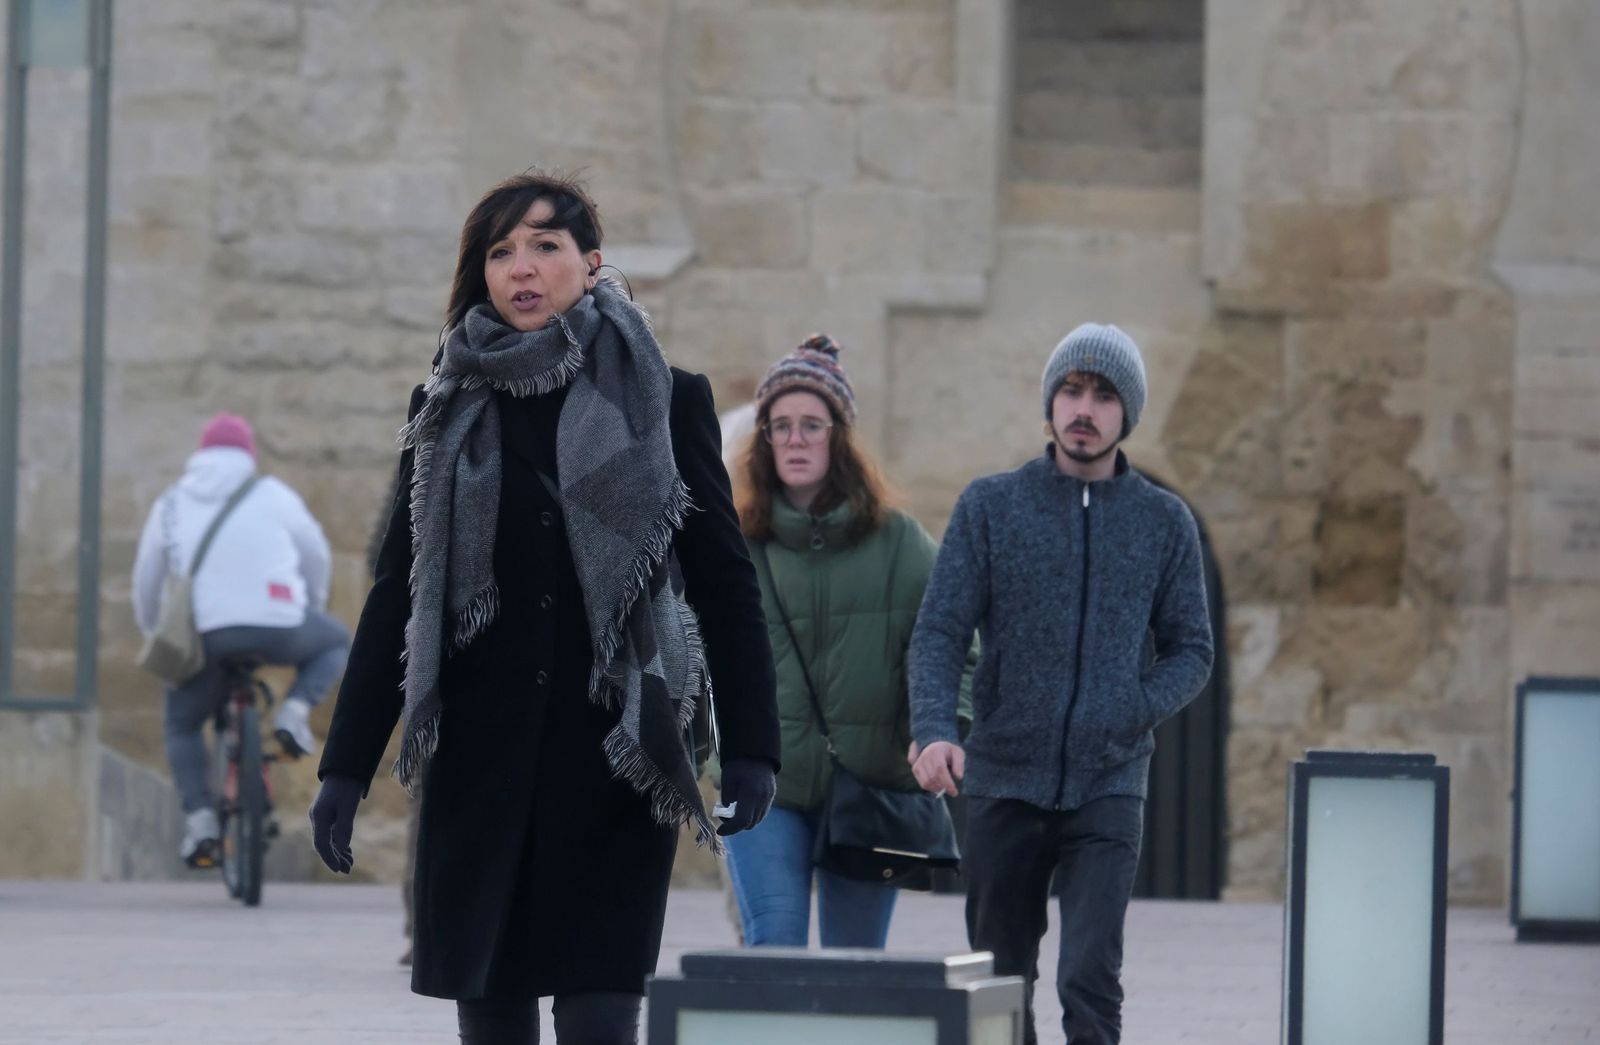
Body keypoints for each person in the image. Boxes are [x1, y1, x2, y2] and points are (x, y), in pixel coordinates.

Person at [308, 170, 780, 1045]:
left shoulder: (666, 401)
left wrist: (752, 744)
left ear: (591, 263)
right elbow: (398, 594)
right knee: (492, 1023)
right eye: (500, 250)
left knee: (602, 1018)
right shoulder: (444, 409)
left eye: (544, 245)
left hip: (611, 759)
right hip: (478, 772)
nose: (521, 267)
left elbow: (724, 579)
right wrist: (346, 764)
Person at [908, 323, 1214, 1045]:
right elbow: (940, 631)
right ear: (1049, 404)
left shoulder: (1164, 523)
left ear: (1126, 413)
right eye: (1071, 390)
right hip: (1003, 779)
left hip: (1109, 784)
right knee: (999, 981)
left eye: (1104, 395)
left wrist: (1128, 707)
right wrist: (934, 728)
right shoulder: (991, 506)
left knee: (1089, 976)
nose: (1085, 407)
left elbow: (1192, 650)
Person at [724, 335, 968, 949]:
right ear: (764, 440)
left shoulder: (901, 543)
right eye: (780, 426)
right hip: (766, 790)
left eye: (812, 424)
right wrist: (710, 753)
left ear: (840, 437)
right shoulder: (736, 546)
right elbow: (699, 657)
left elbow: (954, 641)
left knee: (853, 967)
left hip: (869, 788)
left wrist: (938, 725)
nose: (796, 439)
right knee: (772, 948)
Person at [131, 412, 348, 866]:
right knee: (335, 642)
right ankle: (294, 710)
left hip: (207, 636)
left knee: (182, 724)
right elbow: (316, 553)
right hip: (281, 621)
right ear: (248, 456)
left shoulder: (171, 504)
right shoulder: (274, 495)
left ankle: (201, 824)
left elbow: (146, 583)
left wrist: (156, 633)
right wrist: (311, 603)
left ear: (200, 456)